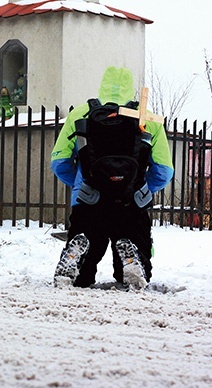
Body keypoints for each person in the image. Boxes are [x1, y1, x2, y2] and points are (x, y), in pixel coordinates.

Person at [51, 66, 174, 290]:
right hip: (131, 203)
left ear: (102, 84)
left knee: (83, 272)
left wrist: (79, 184)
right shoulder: (148, 118)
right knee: (132, 261)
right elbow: (164, 170)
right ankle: (131, 258)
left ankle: (77, 253)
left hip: (88, 199)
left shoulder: (80, 114)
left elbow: (59, 162)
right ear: (131, 88)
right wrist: (141, 186)